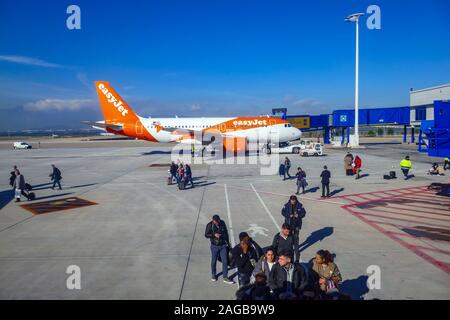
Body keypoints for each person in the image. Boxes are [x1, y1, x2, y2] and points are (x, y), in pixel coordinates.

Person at [204, 215, 234, 284]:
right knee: (214, 261)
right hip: (214, 246)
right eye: (216, 221)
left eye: (218, 221)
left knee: (225, 261)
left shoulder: (222, 223)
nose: (217, 222)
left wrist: (228, 243)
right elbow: (206, 235)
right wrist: (214, 235)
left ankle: (225, 277)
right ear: (213, 220)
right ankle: (213, 274)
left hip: (223, 245)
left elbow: (226, 233)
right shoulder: (209, 225)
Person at [281, 195, 306, 263]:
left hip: (296, 225)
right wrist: (288, 215)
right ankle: (289, 249)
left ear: (296, 200)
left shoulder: (300, 205)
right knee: (288, 238)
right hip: (288, 225)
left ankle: (296, 249)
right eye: (292, 200)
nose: (293, 201)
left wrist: (298, 215)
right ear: (290, 200)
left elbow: (304, 213)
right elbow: (282, 212)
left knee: (296, 238)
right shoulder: (286, 205)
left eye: (294, 200)